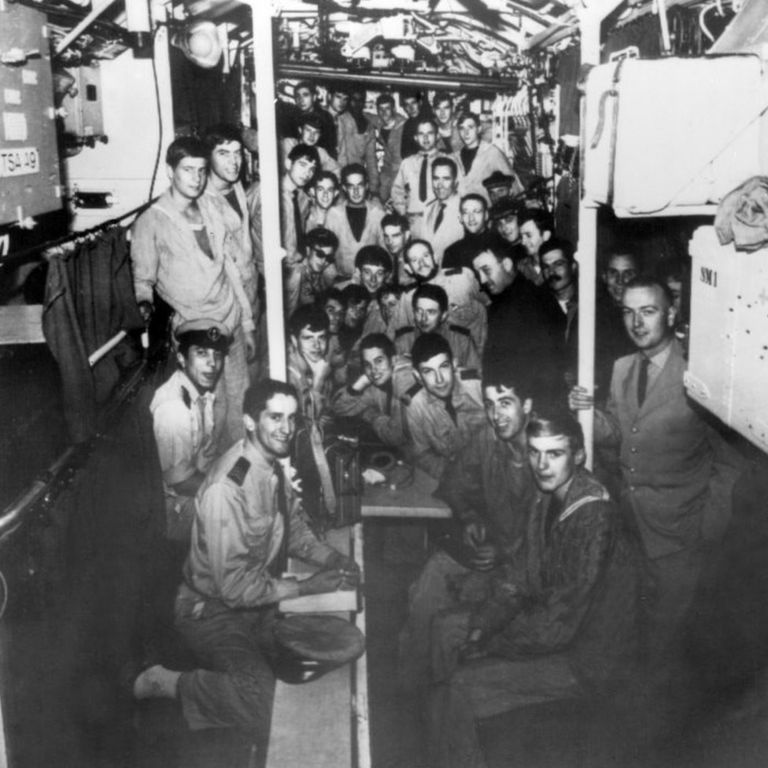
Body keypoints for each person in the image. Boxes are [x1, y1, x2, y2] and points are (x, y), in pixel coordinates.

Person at [132, 379, 359, 768]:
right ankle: (168, 682)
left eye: (292, 418)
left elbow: (295, 530)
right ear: (250, 421)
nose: (286, 428)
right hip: (213, 614)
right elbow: (233, 588)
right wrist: (306, 588)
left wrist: (330, 559)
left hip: (259, 607)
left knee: (315, 678)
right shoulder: (228, 487)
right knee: (266, 702)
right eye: (275, 417)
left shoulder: (270, 468)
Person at [428, 409, 643, 768]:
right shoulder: (546, 495)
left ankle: (452, 744)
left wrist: (489, 642)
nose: (542, 464)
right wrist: (484, 623)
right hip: (553, 630)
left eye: (554, 454)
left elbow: (557, 625)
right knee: (443, 627)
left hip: (588, 660)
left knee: (460, 690)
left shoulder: (594, 515)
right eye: (534, 452)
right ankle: (438, 747)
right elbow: (518, 576)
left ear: (577, 456)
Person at [568, 277, 743, 666]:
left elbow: (730, 463)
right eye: (628, 312)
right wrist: (587, 413)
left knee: (668, 648)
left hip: (680, 535)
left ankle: (665, 723)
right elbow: (621, 433)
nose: (636, 322)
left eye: (647, 311)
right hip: (630, 528)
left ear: (669, 312)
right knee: (631, 637)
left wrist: (706, 528)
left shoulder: (700, 374)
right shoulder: (622, 368)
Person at [397, 359, 537, 694]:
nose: (495, 415)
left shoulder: (545, 453)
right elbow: (454, 483)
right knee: (426, 583)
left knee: (448, 614)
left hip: (525, 572)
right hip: (490, 554)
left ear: (528, 406)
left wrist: (504, 551)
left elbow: (548, 543)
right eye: (489, 405)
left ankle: (443, 698)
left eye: (506, 404)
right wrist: (471, 518)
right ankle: (411, 695)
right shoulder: (488, 439)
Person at [131, 137, 256, 443]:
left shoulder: (211, 206)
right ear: (169, 171)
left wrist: (248, 323)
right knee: (208, 415)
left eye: (201, 171)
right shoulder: (151, 221)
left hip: (231, 321)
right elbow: (142, 284)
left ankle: (238, 477)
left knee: (241, 403)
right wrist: (149, 313)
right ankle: (207, 483)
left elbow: (231, 270)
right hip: (193, 332)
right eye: (188, 170)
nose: (196, 179)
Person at [150, 320, 230, 542]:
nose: (212, 364)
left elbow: (205, 460)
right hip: (171, 511)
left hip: (191, 492)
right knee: (242, 515)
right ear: (182, 358)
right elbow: (181, 482)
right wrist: (232, 490)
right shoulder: (174, 406)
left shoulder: (200, 394)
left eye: (218, 355)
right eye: (202, 353)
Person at [472, 244, 563, 399]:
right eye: (478, 274)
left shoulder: (537, 300)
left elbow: (547, 368)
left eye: (486, 270)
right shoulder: (499, 304)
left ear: (507, 264)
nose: (482, 280)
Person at [403, 333, 486, 479]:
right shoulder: (415, 405)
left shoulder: (478, 386)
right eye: (428, 371)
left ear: (454, 364)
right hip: (456, 477)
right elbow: (423, 455)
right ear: (417, 376)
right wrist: (452, 475)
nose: (439, 379)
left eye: (444, 366)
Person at [401, 239, 487, 353]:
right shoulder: (408, 298)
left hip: (476, 357)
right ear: (408, 268)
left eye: (426, 256)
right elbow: (400, 339)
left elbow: (489, 308)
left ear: (435, 258)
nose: (422, 263)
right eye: (415, 260)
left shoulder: (462, 278)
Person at [331, 333, 414, 449]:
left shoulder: (406, 378)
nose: (374, 369)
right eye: (367, 364)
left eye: (379, 361)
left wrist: (371, 415)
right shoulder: (376, 384)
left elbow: (395, 437)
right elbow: (338, 407)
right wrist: (361, 383)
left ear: (393, 360)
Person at [395, 283, 481, 370]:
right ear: (413, 312)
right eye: (419, 311)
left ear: (443, 315)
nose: (423, 318)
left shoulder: (461, 340)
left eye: (431, 312)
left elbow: (475, 376)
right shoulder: (403, 341)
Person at [280, 143, 320, 310]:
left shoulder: (303, 198)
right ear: (288, 164)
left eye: (312, 169)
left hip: (298, 270)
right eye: (302, 165)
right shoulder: (270, 194)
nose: (307, 173)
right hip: (279, 273)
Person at [331, 163, 386, 280]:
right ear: (344, 188)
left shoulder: (378, 214)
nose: (356, 191)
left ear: (366, 186)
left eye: (359, 185)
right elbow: (327, 255)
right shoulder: (334, 214)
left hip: (370, 282)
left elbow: (385, 253)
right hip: (341, 280)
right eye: (351, 186)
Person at [452, 112, 522, 203]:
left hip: (487, 211)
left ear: (479, 129)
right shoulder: (455, 157)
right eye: (462, 128)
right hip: (465, 212)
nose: (466, 133)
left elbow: (513, 184)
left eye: (470, 127)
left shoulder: (492, 152)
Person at [391, 117, 445, 227]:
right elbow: (397, 191)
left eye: (429, 133)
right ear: (415, 138)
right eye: (421, 134)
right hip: (413, 220)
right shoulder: (407, 163)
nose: (425, 138)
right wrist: (404, 213)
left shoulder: (447, 161)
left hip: (439, 221)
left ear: (437, 136)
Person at [539, 237, 579, 385]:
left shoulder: (590, 304)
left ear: (573, 266)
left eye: (558, 264)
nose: (552, 272)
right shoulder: (536, 307)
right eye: (546, 267)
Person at [413, 157, 465, 267]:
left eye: (446, 179)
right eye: (436, 178)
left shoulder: (465, 209)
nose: (440, 185)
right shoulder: (428, 209)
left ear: (455, 181)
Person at [442, 194, 509, 272]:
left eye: (476, 212)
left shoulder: (502, 244)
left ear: (486, 215)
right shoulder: (452, 253)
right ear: (460, 218)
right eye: (466, 213)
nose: (471, 218)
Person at [338, 88, 380, 196]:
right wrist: (342, 183)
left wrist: (373, 187)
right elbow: (341, 155)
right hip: (341, 177)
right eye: (353, 99)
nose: (357, 103)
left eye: (361, 100)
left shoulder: (369, 125)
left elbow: (371, 159)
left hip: (358, 178)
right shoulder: (341, 120)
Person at [295, 227, 340, 313]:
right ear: (308, 250)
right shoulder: (298, 273)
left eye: (328, 257)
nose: (324, 261)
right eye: (320, 254)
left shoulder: (323, 270)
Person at [371, 93, 406, 204]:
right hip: (387, 170)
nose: (384, 112)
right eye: (380, 109)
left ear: (394, 109)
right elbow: (367, 115)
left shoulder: (404, 126)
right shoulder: (379, 122)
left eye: (387, 108)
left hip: (401, 171)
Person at [289, 80, 337, 159]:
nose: (301, 100)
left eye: (305, 95)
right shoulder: (292, 118)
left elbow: (331, 148)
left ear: (314, 97)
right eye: (298, 96)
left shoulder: (325, 118)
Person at [517, 207, 554, 285]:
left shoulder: (557, 266)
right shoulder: (520, 267)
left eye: (528, 235)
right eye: (521, 237)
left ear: (545, 235)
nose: (523, 242)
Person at [381, 212, 414, 288]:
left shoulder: (413, 261)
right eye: (386, 236)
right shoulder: (392, 257)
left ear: (407, 235)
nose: (390, 241)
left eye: (395, 236)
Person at [400, 89, 434, 160]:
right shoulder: (407, 125)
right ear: (404, 108)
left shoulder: (430, 120)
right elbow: (404, 153)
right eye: (407, 105)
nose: (411, 108)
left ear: (420, 103)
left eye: (413, 103)